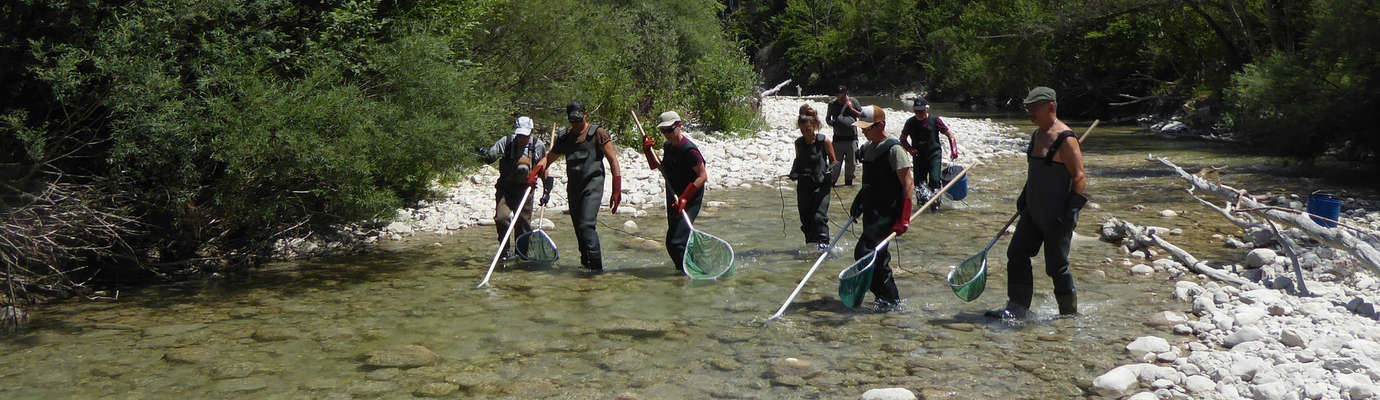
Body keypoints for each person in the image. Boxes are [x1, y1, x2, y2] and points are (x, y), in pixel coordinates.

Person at [986, 87, 1089, 319]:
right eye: (1028, 108)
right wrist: (1024, 197)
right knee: (1016, 254)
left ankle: (1068, 316)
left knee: (1056, 267)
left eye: (1034, 108)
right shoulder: (1036, 135)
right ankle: (1017, 308)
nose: (1029, 113)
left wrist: (1071, 213)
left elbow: (1080, 177)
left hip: (1057, 216)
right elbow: (1035, 173)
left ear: (1050, 107)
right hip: (1032, 212)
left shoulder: (1066, 139)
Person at [528, 102, 622, 271]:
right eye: (573, 121)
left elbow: (613, 160)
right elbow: (548, 159)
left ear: (585, 115)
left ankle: (596, 271)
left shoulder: (597, 133)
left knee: (586, 226)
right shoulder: (565, 137)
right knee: (579, 230)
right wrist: (535, 172)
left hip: (592, 186)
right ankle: (585, 266)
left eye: (579, 120)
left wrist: (616, 190)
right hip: (574, 187)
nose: (576, 124)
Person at [847, 105, 914, 311]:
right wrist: (858, 202)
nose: (863, 131)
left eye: (867, 128)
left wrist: (904, 218)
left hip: (888, 211)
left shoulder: (894, 149)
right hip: (871, 210)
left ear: (881, 125)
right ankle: (885, 298)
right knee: (877, 256)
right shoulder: (868, 148)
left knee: (866, 252)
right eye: (862, 128)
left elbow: (908, 184)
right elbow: (869, 183)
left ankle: (890, 299)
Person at [641, 111, 708, 271]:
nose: (667, 135)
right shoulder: (668, 146)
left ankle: (689, 273)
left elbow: (702, 176)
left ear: (679, 126)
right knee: (676, 240)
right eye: (663, 131)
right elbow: (659, 167)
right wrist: (648, 152)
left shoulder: (689, 150)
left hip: (690, 197)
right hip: (673, 194)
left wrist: (685, 198)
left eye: (670, 130)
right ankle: (689, 269)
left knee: (675, 242)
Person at [478, 116, 552, 259]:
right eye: (519, 135)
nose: (521, 138)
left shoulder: (538, 146)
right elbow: (490, 157)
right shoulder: (506, 142)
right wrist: (484, 155)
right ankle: (504, 251)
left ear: (531, 132)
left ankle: (522, 256)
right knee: (502, 218)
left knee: (523, 225)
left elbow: (543, 169)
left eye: (525, 135)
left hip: (525, 190)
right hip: (505, 188)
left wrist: (546, 191)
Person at [789, 105, 838, 249]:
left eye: (808, 130)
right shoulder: (799, 143)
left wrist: (830, 170)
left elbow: (834, 161)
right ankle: (810, 246)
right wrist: (793, 172)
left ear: (815, 126)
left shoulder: (824, 141)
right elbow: (798, 160)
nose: (805, 134)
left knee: (818, 217)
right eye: (802, 131)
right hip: (804, 186)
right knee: (806, 218)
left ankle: (824, 246)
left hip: (821, 186)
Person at [899, 97, 959, 207]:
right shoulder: (910, 122)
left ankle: (935, 205)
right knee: (919, 184)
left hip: (934, 155)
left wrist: (954, 150)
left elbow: (950, 135)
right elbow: (902, 139)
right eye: (916, 111)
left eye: (921, 111)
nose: (919, 114)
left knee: (934, 180)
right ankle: (922, 206)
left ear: (926, 109)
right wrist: (910, 149)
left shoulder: (935, 120)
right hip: (918, 156)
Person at [826, 86, 863, 186]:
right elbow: (827, 119)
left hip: (852, 139)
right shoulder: (832, 104)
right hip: (838, 140)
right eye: (838, 97)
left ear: (847, 94)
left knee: (851, 166)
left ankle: (848, 185)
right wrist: (833, 123)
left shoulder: (854, 102)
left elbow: (862, 116)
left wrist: (850, 108)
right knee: (835, 166)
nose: (840, 99)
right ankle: (831, 185)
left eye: (842, 96)